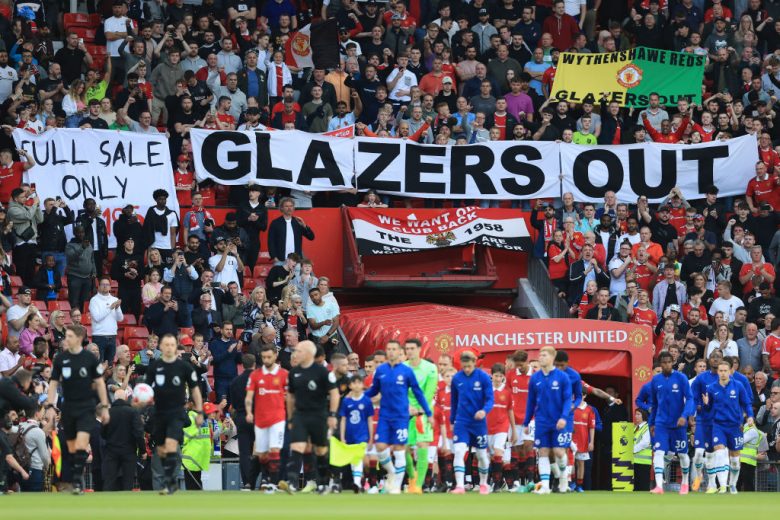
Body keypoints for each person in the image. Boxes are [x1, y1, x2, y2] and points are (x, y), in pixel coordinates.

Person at [46, 324, 109, 494]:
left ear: (79, 338)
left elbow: (100, 383)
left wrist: (104, 406)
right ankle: (75, 475)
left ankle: (76, 481)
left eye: (69, 336)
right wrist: (50, 405)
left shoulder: (89, 358)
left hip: (86, 407)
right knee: (72, 447)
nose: (66, 339)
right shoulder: (60, 359)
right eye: (66, 336)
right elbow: (53, 383)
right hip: (68, 408)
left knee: (82, 443)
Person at [364, 339, 432, 494]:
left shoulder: (406, 371)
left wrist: (428, 413)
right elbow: (374, 390)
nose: (391, 352)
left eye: (394, 349)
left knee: (399, 449)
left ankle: (396, 486)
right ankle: (392, 472)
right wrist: (361, 397)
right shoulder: (381, 371)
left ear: (399, 352)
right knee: (380, 447)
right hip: (384, 416)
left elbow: (417, 392)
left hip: (401, 416)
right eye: (389, 349)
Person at [145, 333, 204, 495]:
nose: (169, 347)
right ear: (161, 347)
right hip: (159, 413)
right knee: (162, 449)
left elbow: (195, 390)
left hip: (176, 412)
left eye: (172, 345)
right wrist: (140, 401)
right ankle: (168, 478)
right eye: (166, 344)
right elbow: (146, 389)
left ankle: (170, 482)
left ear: (175, 347)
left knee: (171, 445)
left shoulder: (184, 367)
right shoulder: (154, 367)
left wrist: (199, 411)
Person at [278, 341, 339, 494]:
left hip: (319, 416)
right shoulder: (294, 372)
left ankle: (323, 483)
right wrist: (290, 418)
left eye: (298, 351)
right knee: (297, 447)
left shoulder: (323, 372)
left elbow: (334, 394)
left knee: (320, 451)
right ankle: (292, 483)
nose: (295, 354)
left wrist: (332, 415)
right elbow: (290, 397)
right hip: (300, 415)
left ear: (308, 353)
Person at [523, 346, 572, 494]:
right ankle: (545, 486)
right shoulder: (535, 378)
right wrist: (526, 422)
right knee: (543, 451)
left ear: (552, 357)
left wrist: (564, 417)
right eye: (540, 355)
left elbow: (567, 399)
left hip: (558, 421)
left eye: (544, 355)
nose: (541, 357)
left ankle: (563, 476)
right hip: (541, 421)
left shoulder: (562, 377)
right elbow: (531, 401)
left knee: (558, 452)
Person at [702, 360, 755, 494]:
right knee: (720, 452)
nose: (723, 373)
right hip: (718, 425)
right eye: (720, 370)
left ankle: (732, 484)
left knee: (735, 460)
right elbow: (707, 410)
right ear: (717, 372)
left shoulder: (738, 386)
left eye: (725, 370)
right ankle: (723, 485)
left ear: (730, 371)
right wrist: (706, 404)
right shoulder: (711, 388)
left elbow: (746, 403)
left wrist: (750, 416)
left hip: (735, 426)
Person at [648, 350, 694, 494]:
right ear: (660, 364)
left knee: (682, 454)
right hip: (661, 423)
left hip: (678, 424)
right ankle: (659, 486)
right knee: (659, 452)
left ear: (673, 362)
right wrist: (652, 423)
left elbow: (690, 398)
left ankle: (685, 482)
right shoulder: (656, 380)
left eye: (669, 362)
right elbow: (654, 404)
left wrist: (685, 415)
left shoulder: (681, 378)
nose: (667, 365)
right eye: (664, 363)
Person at [245, 344, 288, 491]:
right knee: (262, 454)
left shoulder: (284, 374)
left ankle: (272, 483)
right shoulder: (255, 375)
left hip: (278, 418)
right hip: (260, 419)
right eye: (263, 357)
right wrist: (249, 412)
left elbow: (290, 396)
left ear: (276, 355)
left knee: (274, 450)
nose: (266, 360)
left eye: (269, 357)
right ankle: (266, 478)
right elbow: (249, 397)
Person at [450, 350, 494, 495]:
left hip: (478, 423)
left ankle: (483, 483)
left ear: (474, 363)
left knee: (481, 455)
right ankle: (460, 486)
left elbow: (490, 399)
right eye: (464, 366)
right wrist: (452, 420)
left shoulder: (483, 377)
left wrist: (484, 411)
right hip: (462, 421)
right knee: (459, 451)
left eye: (469, 366)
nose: (467, 369)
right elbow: (454, 401)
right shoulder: (457, 378)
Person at [402, 338, 439, 494]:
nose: (409, 351)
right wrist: (407, 406)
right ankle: (412, 477)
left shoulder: (430, 368)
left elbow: (429, 392)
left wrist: (420, 409)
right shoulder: (402, 368)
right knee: (403, 449)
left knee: (422, 445)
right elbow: (400, 391)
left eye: (412, 348)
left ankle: (418, 485)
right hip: (405, 413)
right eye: (407, 348)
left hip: (423, 413)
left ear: (419, 349)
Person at [690, 348, 723, 492]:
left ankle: (712, 484)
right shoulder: (701, 378)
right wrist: (695, 408)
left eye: (718, 356)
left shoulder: (727, 378)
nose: (715, 359)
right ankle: (699, 476)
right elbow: (693, 397)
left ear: (722, 359)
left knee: (712, 454)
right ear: (709, 359)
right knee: (698, 453)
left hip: (718, 422)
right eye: (713, 356)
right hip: (703, 421)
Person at [101, 388, 145, 491]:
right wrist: (142, 450)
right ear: (125, 398)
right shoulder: (132, 412)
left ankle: (106, 499)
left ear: (114, 399)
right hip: (129, 450)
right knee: (128, 481)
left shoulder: (109, 412)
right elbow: (138, 433)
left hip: (111, 450)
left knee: (109, 480)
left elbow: (102, 432)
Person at [338, 374, 375, 492]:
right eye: (354, 383)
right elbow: (343, 419)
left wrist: (371, 438)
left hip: (362, 435)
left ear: (363, 385)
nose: (357, 385)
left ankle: (357, 482)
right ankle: (358, 482)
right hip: (350, 434)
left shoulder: (367, 401)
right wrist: (342, 436)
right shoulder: (346, 401)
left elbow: (369, 420)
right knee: (353, 460)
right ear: (350, 385)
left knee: (358, 457)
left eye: (359, 383)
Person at [267, 197, 315, 264]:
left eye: (291, 206)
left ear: (293, 208)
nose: (289, 208)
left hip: (296, 261)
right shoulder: (275, 223)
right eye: (286, 206)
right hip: (280, 260)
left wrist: (304, 225)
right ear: (281, 208)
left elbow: (311, 237)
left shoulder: (298, 222)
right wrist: (274, 257)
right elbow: (271, 242)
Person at [89, 276, 123, 365]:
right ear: (99, 286)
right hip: (99, 336)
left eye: (107, 284)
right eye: (103, 284)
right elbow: (97, 318)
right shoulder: (94, 300)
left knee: (110, 365)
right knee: (99, 364)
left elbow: (120, 318)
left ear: (110, 287)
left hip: (112, 336)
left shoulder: (115, 299)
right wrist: (110, 308)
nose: (105, 286)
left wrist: (117, 308)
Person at [143, 190, 179, 265]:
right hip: (153, 246)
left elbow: (173, 234)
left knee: (167, 268)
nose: (162, 201)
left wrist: (172, 249)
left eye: (164, 199)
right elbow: (146, 230)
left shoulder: (172, 214)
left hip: (167, 247)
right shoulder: (151, 211)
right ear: (156, 200)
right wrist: (149, 247)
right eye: (160, 199)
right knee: (153, 269)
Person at [209, 322, 242, 405]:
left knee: (234, 405)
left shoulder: (235, 342)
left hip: (233, 379)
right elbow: (214, 360)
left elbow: (239, 361)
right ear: (221, 331)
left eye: (231, 329)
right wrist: (228, 351)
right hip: (220, 380)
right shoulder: (214, 343)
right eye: (227, 329)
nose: (229, 331)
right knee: (222, 405)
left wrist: (238, 351)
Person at [633, 408, 652, 492]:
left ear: (643, 415)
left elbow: (645, 442)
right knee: (636, 487)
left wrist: (632, 450)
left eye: (638, 414)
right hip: (635, 461)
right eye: (635, 414)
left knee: (643, 487)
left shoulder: (646, 427)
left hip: (644, 462)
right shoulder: (635, 428)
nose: (636, 416)